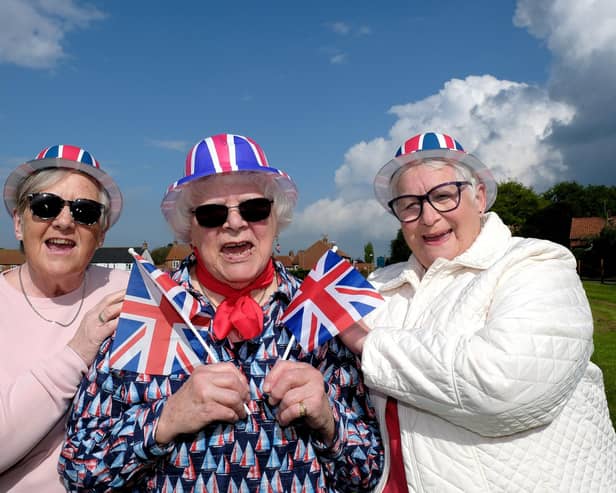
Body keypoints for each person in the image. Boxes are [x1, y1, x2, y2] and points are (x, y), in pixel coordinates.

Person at [59, 133, 383, 492]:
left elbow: (366, 474)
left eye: (254, 209)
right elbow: (79, 471)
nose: (235, 223)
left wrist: (329, 421)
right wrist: (163, 421)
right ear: (189, 229)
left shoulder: (318, 312)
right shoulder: (149, 310)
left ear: (276, 219)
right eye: (212, 214)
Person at [340, 132, 616, 492]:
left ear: (479, 197)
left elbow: (505, 386)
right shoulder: (378, 286)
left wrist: (368, 344)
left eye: (443, 196)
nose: (428, 216)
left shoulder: (535, 263)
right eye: (409, 204)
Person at [0, 145, 128, 492]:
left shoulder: (132, 292)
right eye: (45, 206)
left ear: (100, 234)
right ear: (18, 223)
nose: (65, 221)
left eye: (85, 212)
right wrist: (78, 352)